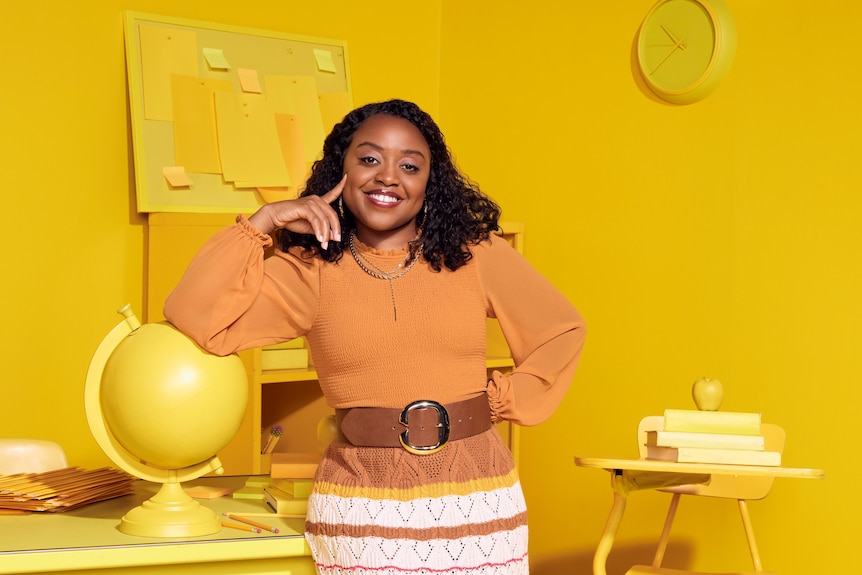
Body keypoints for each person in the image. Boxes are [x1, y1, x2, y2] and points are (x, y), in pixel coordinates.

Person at [164, 99, 586, 575]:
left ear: (430, 183)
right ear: (339, 170)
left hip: (479, 495)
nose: (388, 177)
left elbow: (562, 329)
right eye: (368, 159)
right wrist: (265, 221)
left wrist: (506, 399)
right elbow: (195, 316)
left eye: (410, 165)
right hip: (361, 505)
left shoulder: (475, 255)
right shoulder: (309, 270)